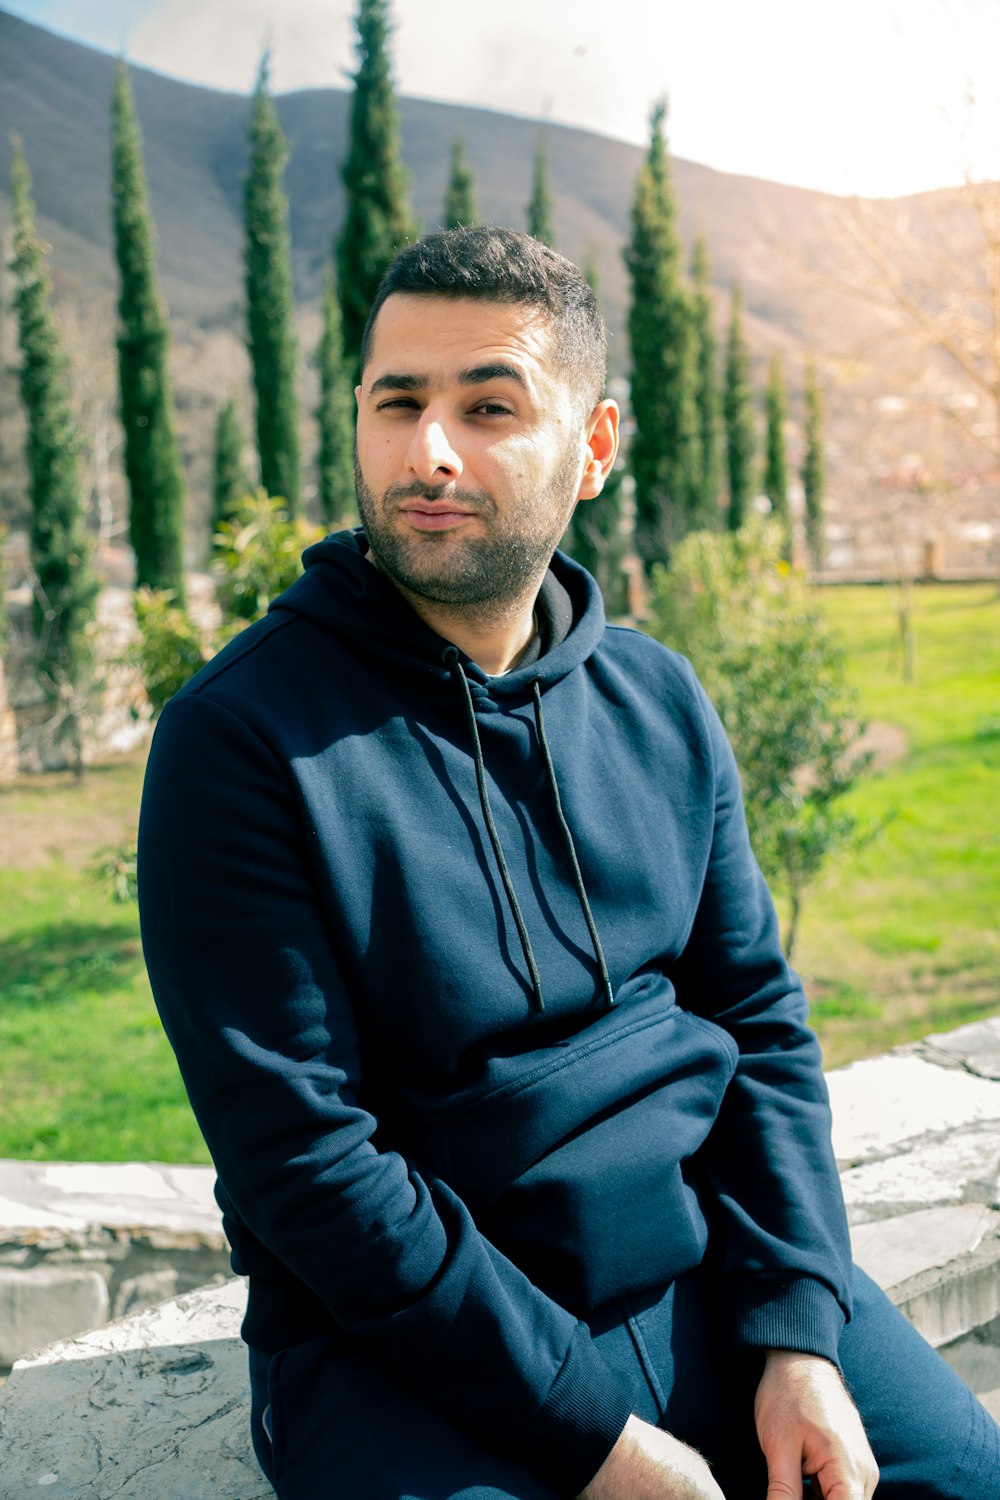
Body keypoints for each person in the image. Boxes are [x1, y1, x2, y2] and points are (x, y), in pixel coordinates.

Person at [137, 226, 998, 1500]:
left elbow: (753, 1018)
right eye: (398, 403)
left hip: (706, 1278)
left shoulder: (657, 698)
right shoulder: (240, 742)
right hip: (406, 1358)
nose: (429, 450)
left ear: (591, 448)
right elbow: (306, 1164)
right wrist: (593, 1434)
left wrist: (799, 1328)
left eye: (489, 405)